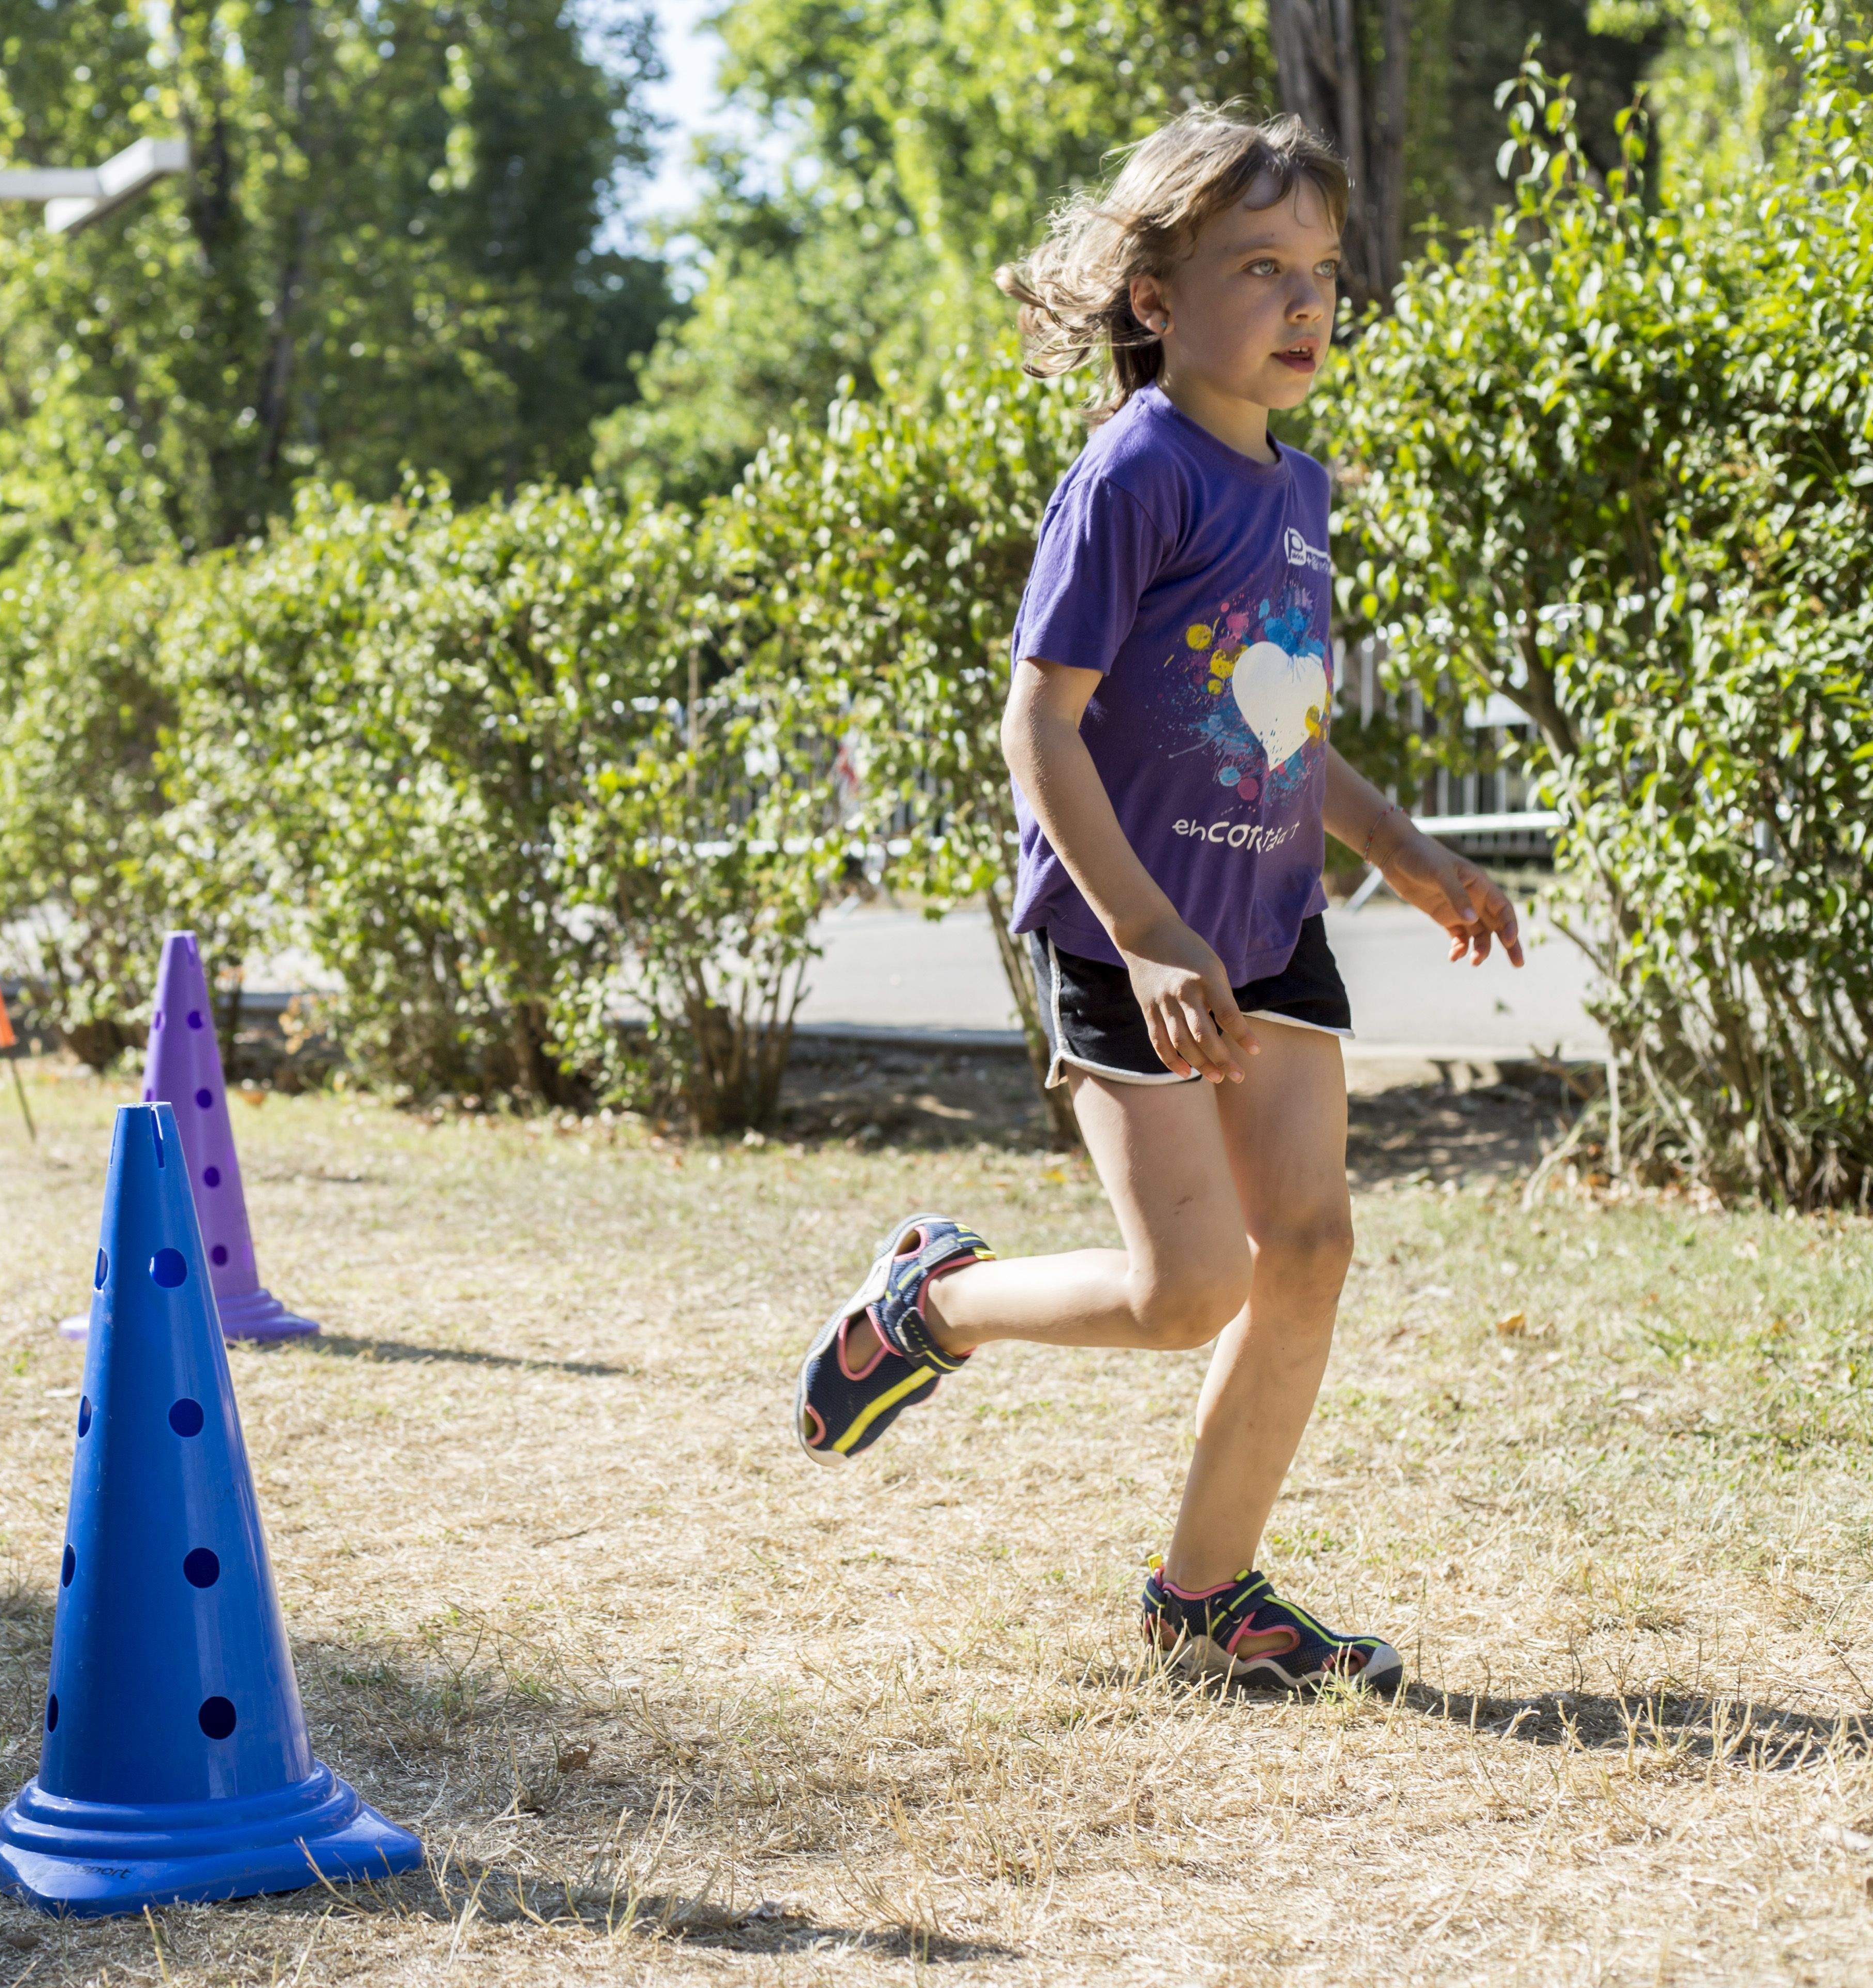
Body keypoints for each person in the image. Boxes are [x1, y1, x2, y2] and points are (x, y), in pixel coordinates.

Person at [790, 109, 1525, 1692]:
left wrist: (1401, 848)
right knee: (1189, 1291)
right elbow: (1038, 725)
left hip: (1268, 935)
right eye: (1261, 268)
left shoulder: (1298, 487)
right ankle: (937, 1302)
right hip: (1132, 944)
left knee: (1310, 1251)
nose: (1305, 304)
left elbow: (1283, 724)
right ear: (1155, 301)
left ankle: (1206, 1602)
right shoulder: (1133, 474)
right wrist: (1146, 933)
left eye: (1322, 271)